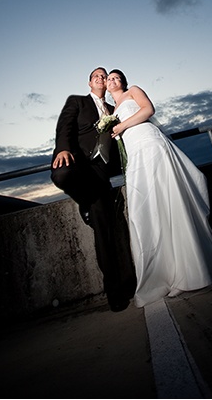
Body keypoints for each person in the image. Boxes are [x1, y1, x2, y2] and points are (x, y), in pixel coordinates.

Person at [105, 69, 212, 307]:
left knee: (169, 202)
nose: (113, 80)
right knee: (148, 212)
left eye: (116, 77)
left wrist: (120, 126)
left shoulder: (133, 91)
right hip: (135, 155)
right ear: (106, 86)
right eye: (109, 79)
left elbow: (148, 110)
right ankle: (168, 275)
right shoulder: (109, 112)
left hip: (150, 144)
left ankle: (191, 273)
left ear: (123, 82)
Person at [51, 67, 136, 312]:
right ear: (90, 83)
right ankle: (84, 201)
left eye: (104, 75)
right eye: (96, 75)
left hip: (100, 174)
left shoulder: (113, 110)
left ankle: (115, 292)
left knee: (104, 233)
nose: (100, 77)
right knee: (62, 174)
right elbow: (64, 127)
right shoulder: (77, 101)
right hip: (77, 164)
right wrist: (63, 149)